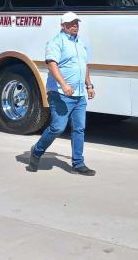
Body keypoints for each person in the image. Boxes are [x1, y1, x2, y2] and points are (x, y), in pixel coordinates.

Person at [27, 12, 96, 175]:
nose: (75, 25)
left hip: (79, 94)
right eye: (71, 23)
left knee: (79, 128)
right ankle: (36, 151)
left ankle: (78, 164)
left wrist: (89, 85)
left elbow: (84, 66)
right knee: (58, 127)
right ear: (62, 25)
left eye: (76, 23)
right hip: (60, 93)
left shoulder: (82, 43)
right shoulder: (56, 42)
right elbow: (52, 65)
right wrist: (63, 84)